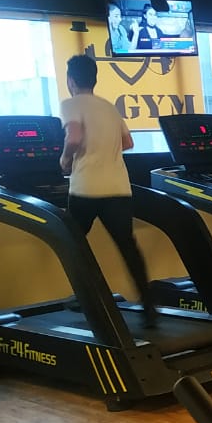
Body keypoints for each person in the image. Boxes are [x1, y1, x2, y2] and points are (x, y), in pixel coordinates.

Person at [58, 53, 157, 327]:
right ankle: (149, 306)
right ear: (94, 79)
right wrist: (104, 150)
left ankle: (88, 297)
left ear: (71, 80)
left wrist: (65, 160)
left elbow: (74, 137)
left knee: (73, 243)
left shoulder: (71, 104)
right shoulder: (109, 107)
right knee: (127, 245)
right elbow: (128, 142)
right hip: (118, 188)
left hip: (86, 187)